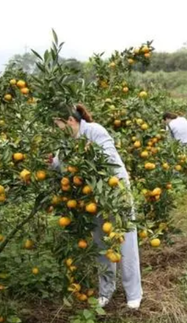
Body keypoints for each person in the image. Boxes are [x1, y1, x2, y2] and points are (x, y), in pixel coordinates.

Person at [52, 104, 142, 310]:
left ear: (71, 121)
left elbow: (109, 160)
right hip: (92, 197)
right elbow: (59, 163)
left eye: (59, 126)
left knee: (125, 241)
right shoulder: (68, 141)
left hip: (115, 191)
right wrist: (51, 163)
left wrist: (86, 155)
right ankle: (105, 291)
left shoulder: (95, 131)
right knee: (101, 243)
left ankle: (134, 294)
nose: (59, 131)